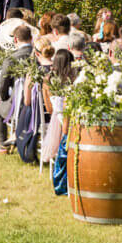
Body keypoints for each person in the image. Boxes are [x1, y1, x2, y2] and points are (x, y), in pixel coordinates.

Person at [0, 25, 34, 153]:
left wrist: (4, 100)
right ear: (31, 38)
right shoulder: (38, 56)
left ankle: (2, 146)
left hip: (18, 104)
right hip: (38, 105)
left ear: (15, 40)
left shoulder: (11, 59)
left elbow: (3, 84)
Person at [41, 49, 74, 195]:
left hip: (58, 122)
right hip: (71, 123)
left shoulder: (48, 81)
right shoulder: (75, 81)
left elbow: (48, 109)